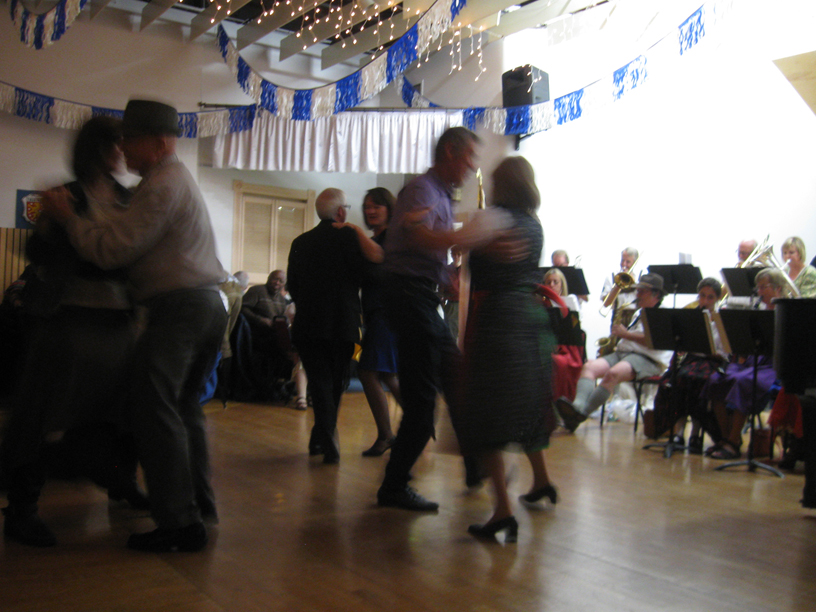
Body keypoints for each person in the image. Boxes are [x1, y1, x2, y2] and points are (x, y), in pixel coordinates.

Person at [40, 100, 228, 552]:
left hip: (180, 308)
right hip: (204, 305)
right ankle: (198, 507)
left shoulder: (162, 185)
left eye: (130, 140)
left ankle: (179, 524)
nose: (123, 149)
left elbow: (111, 252)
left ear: (159, 142)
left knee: (153, 410)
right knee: (182, 410)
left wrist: (69, 219)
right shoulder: (167, 181)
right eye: (118, 141)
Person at [2, 116, 145, 547]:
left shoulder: (129, 198)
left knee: (120, 411)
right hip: (70, 320)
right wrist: (53, 223)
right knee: (48, 414)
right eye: (117, 144)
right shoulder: (67, 194)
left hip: (117, 321)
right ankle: (22, 509)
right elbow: (38, 252)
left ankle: (120, 482)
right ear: (99, 149)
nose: (123, 151)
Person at [376, 126, 519, 511]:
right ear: (451, 153)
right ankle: (394, 485)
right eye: (470, 158)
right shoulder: (422, 189)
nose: (472, 168)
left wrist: (450, 265)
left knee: (456, 377)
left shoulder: (438, 193)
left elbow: (425, 242)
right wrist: (464, 238)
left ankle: (474, 466)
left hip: (418, 296)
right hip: (409, 295)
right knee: (424, 402)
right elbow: (417, 235)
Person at [456, 156, 557, 541]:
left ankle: (502, 510)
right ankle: (542, 481)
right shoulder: (534, 224)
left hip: (498, 320)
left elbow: (457, 243)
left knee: (486, 415)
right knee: (528, 406)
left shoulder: (494, 219)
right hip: (530, 318)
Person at [287, 188, 366, 465]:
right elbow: (362, 277)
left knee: (319, 380)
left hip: (309, 324)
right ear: (341, 212)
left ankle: (321, 435)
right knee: (337, 380)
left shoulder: (300, 242)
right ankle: (327, 434)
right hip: (345, 325)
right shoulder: (351, 238)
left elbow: (293, 286)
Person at [556, 273, 669, 432]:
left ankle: (581, 414)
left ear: (656, 295)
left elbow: (654, 341)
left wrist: (626, 334)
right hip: (625, 353)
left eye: (642, 291)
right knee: (589, 367)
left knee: (613, 374)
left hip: (648, 359)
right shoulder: (640, 312)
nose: (637, 295)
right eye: (638, 290)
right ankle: (577, 407)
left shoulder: (663, 315)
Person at [703, 268, 786, 460]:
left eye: (763, 287)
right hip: (752, 362)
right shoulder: (759, 312)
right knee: (716, 380)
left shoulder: (786, 312)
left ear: (778, 288)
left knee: (744, 382)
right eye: (758, 288)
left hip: (773, 367)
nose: (759, 292)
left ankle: (732, 442)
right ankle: (727, 439)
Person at [650, 278, 727, 454]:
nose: (705, 301)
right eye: (702, 296)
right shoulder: (691, 317)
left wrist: (707, 350)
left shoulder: (720, 320)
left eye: (710, 297)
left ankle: (695, 434)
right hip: (691, 360)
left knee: (696, 381)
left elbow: (723, 353)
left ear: (717, 298)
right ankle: (678, 433)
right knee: (674, 381)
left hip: (712, 362)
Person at [355, 188, 400, 457]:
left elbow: (379, 259)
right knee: (387, 374)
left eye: (376, 206)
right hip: (375, 313)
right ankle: (420, 422)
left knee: (368, 372)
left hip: (387, 312)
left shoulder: (392, 237)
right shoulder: (374, 238)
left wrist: (353, 230)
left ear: (388, 208)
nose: (370, 211)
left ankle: (386, 435)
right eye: (367, 206)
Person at [542, 268, 584, 403]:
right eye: (548, 282)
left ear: (562, 285)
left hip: (566, 347)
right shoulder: (540, 303)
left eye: (556, 282)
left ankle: (560, 402)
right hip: (544, 344)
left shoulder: (569, 302)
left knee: (559, 363)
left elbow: (574, 331)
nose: (552, 285)